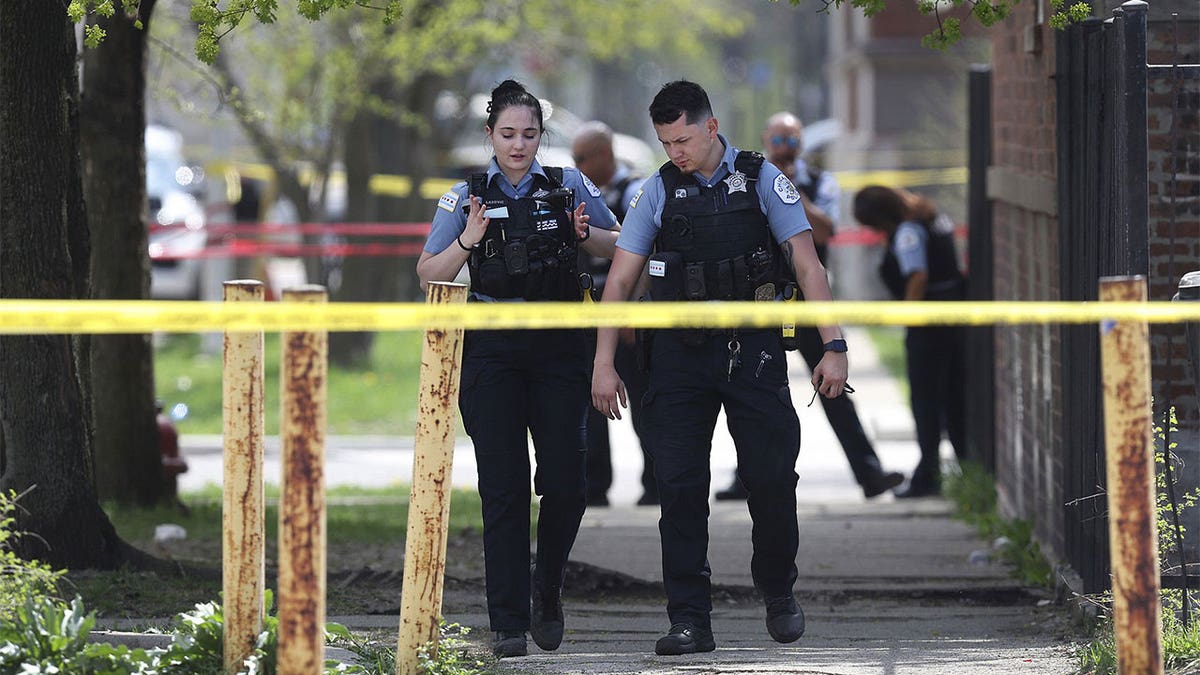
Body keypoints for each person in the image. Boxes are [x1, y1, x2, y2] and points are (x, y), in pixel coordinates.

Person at [591, 81, 849, 656]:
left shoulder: (762, 180)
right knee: (679, 486)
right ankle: (689, 618)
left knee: (772, 477)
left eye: (683, 138)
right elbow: (621, 280)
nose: (675, 152)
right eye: (665, 142)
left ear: (711, 126)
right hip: (679, 355)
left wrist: (833, 344)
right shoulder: (655, 190)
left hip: (753, 347)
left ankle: (779, 592)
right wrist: (604, 362)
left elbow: (807, 266)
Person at [416, 80, 620, 658]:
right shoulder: (466, 197)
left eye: (529, 135)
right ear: (490, 136)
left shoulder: (568, 184)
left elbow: (619, 242)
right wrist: (469, 240)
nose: (519, 145)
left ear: (541, 137)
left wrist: (589, 235)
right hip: (492, 351)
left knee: (567, 482)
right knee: (502, 489)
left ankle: (546, 589)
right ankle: (507, 620)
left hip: (558, 348)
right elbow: (429, 271)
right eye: (507, 134)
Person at [715, 112, 903, 501]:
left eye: (791, 140)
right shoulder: (748, 180)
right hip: (766, 299)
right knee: (753, 389)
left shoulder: (820, 182)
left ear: (801, 142)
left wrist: (789, 195)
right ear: (767, 140)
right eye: (778, 140)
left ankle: (869, 473)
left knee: (833, 387)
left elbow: (826, 230)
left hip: (810, 300)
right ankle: (743, 479)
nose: (784, 148)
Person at [852, 185, 967, 498]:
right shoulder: (931, 218)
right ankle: (964, 471)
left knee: (926, 402)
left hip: (929, 327)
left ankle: (928, 477)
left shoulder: (907, 233)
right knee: (953, 398)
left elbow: (917, 276)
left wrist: (908, 314)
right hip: (952, 319)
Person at [571, 121, 657, 507]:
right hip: (590, 315)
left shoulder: (635, 191)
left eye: (581, 158)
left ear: (604, 155)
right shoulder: (579, 195)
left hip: (627, 317)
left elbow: (645, 256)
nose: (576, 166)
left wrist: (630, 314)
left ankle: (656, 484)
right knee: (592, 403)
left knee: (643, 403)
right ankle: (595, 485)